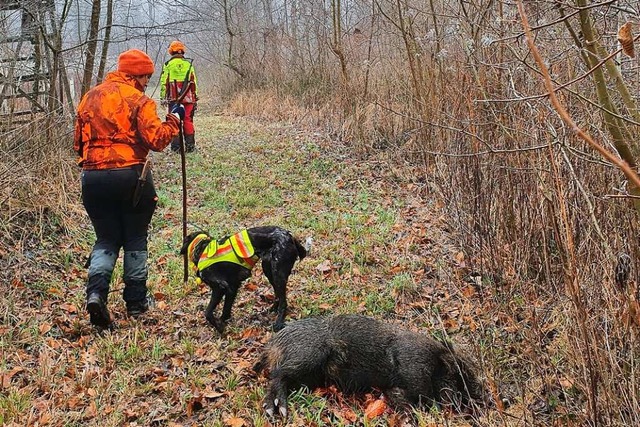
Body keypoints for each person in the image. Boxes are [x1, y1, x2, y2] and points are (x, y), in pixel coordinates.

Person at [74, 48, 186, 328]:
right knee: (135, 237)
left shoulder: (90, 97)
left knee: (105, 239)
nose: (147, 82)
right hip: (131, 177)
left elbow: (78, 144)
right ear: (136, 74)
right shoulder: (139, 100)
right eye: (146, 76)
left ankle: (96, 294)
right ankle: (136, 303)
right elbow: (157, 140)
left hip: (93, 178)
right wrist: (175, 119)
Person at [160, 40, 198, 152]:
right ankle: (190, 147)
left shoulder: (168, 65)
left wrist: (163, 97)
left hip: (174, 98)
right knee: (188, 121)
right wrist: (195, 97)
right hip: (189, 98)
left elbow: (164, 82)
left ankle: (176, 148)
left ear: (171, 51)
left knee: (174, 121)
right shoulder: (188, 64)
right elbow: (193, 81)